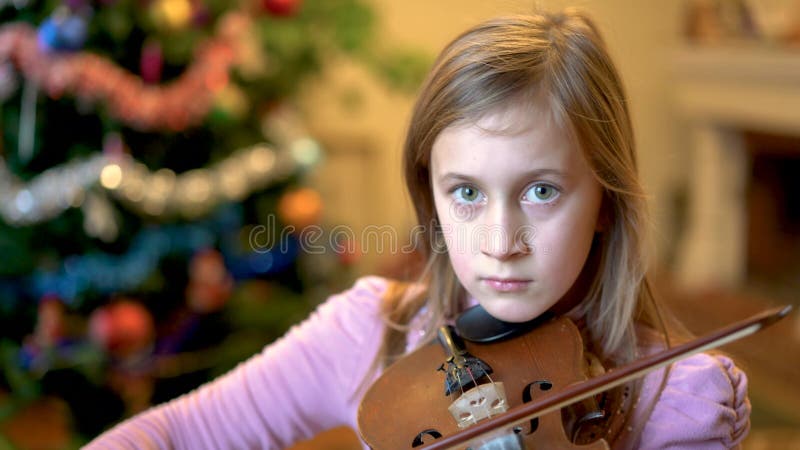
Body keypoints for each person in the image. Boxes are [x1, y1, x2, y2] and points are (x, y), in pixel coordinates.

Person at [85, 8, 750, 450]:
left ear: (605, 199)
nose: (500, 241)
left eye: (541, 191)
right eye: (465, 193)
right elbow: (172, 431)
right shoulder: (374, 332)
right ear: (430, 199)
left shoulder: (676, 396)